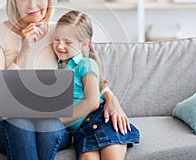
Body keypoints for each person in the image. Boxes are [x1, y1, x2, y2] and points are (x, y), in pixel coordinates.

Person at [0, 0, 131, 160]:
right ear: (13, 2)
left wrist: (110, 96)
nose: (32, 5)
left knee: (48, 123)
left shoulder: (58, 33)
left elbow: (85, 65)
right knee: (21, 123)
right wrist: (24, 50)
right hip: (3, 121)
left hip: (51, 122)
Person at [53, 10, 140, 160]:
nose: (60, 46)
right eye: (56, 39)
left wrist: (59, 119)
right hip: (82, 130)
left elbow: (92, 102)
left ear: (84, 44)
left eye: (67, 42)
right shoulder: (55, 66)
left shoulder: (86, 64)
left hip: (102, 120)